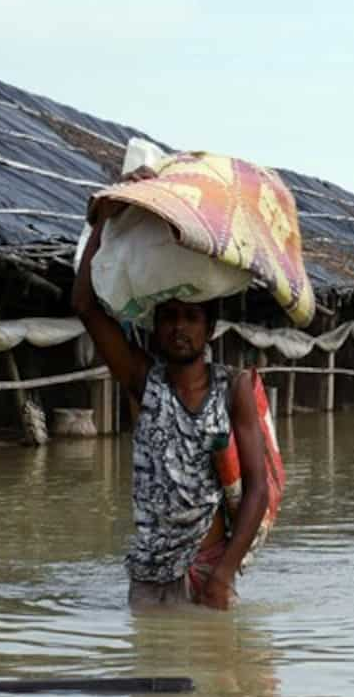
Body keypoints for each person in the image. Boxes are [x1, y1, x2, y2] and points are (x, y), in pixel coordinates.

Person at [72, 220, 269, 610]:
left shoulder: (233, 389)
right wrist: (102, 222)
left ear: (209, 328)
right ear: (156, 327)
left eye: (191, 318)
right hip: (147, 574)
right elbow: (84, 305)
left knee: (209, 670)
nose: (179, 328)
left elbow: (257, 489)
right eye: (169, 317)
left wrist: (223, 576)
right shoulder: (143, 381)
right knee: (150, 667)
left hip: (206, 570)